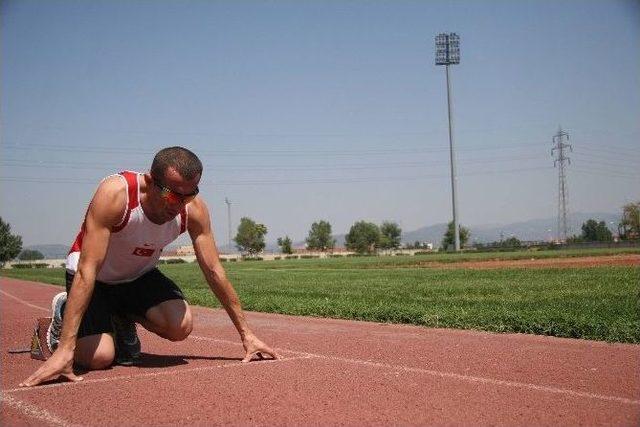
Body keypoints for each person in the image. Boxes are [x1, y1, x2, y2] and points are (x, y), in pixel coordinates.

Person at [20, 146, 279, 387]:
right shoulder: (116, 194)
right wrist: (66, 349)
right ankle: (61, 317)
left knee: (180, 326)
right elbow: (88, 268)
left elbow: (213, 270)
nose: (179, 205)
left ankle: (119, 316)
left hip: (137, 275)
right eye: (171, 194)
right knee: (100, 359)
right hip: (95, 276)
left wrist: (247, 334)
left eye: (190, 194)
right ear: (149, 181)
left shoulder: (193, 210)